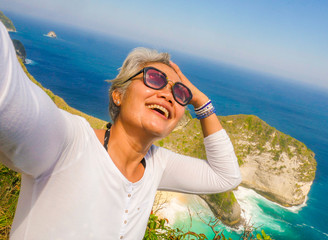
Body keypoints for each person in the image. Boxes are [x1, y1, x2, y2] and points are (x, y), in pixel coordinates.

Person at [0, 21, 241, 240]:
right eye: (154, 78)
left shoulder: (157, 165)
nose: (168, 94)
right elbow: (8, 95)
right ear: (118, 94)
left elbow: (226, 176)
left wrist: (201, 102)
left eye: (180, 93)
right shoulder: (68, 142)